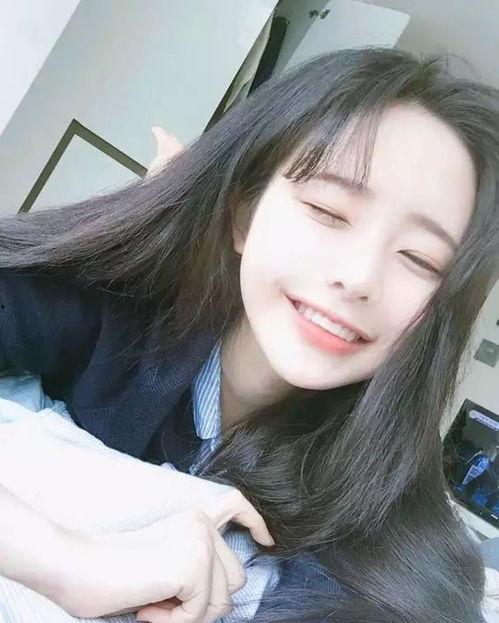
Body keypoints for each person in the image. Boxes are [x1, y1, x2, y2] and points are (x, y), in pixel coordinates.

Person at [0, 46, 498, 623]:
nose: (360, 278)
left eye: (420, 259)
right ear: (242, 216)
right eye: (328, 211)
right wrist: (68, 564)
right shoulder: (115, 304)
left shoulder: (390, 512)